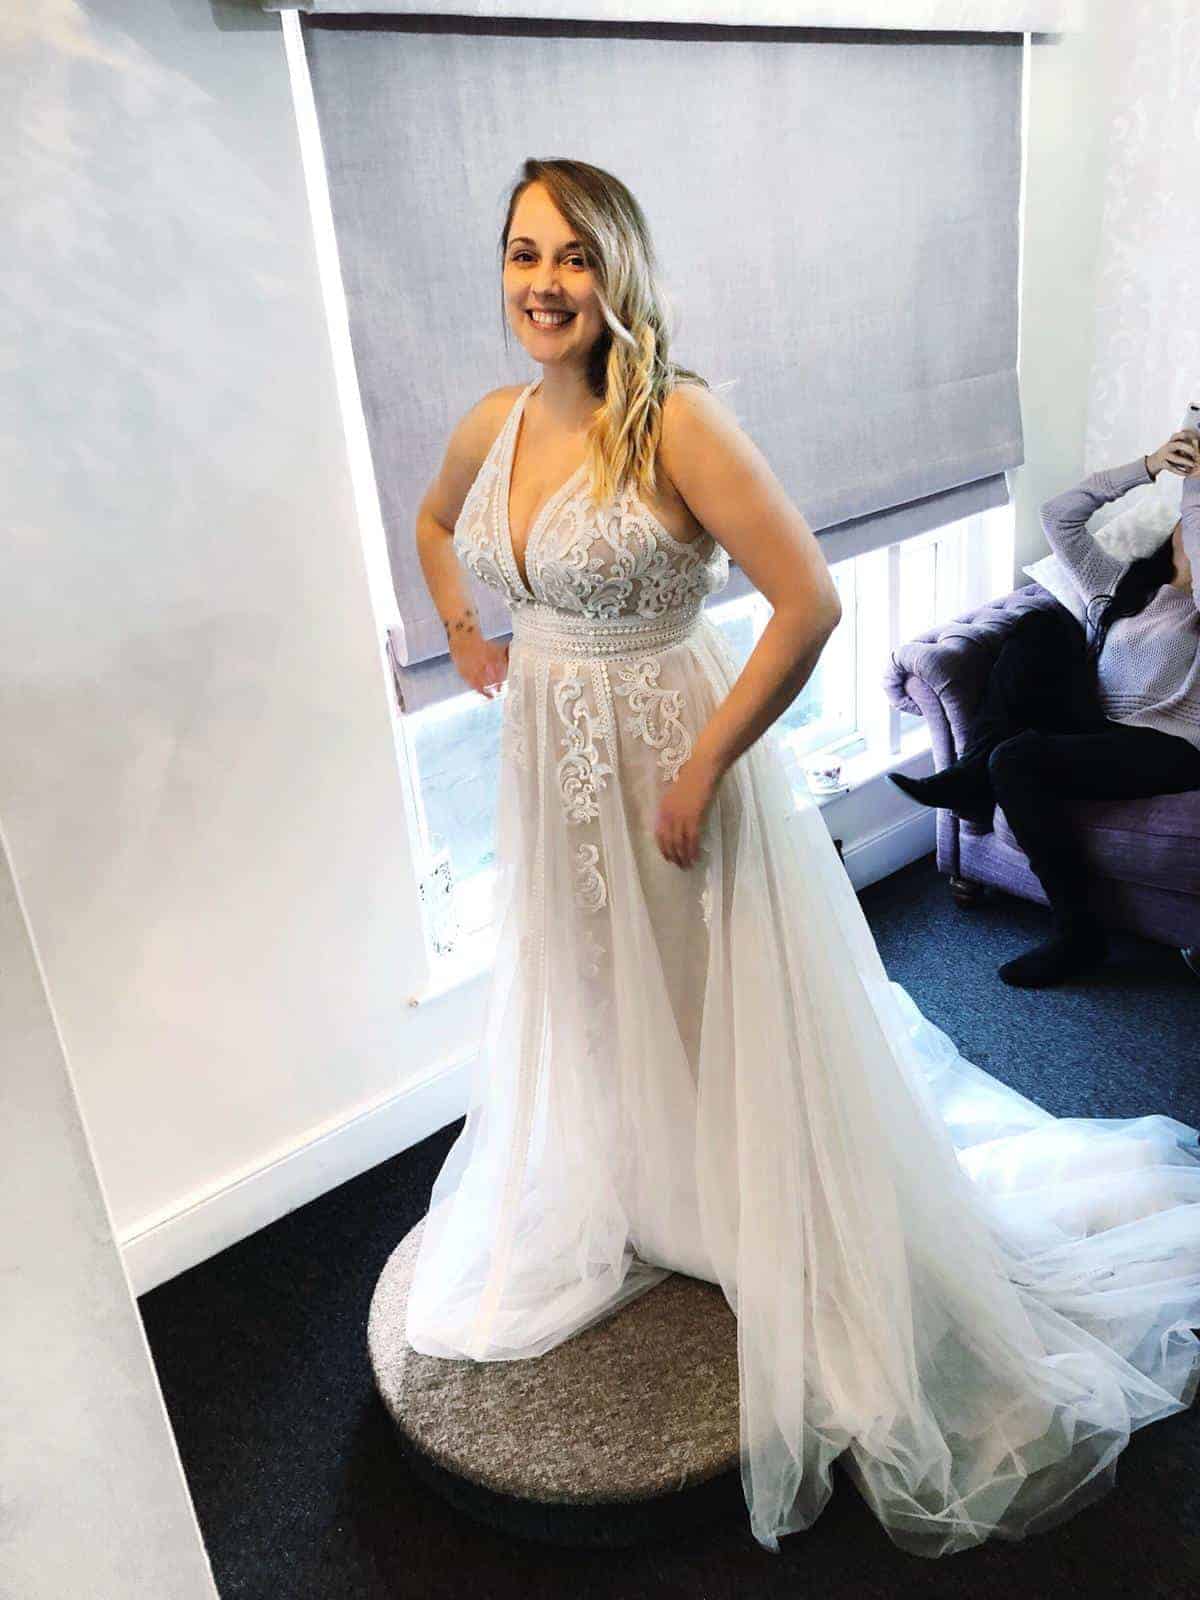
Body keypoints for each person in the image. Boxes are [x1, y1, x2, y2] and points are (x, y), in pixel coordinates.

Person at [405, 158, 1200, 1558]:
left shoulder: (677, 419)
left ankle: (746, 1197)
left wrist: (703, 766)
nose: (545, 282)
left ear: (619, 269)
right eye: (525, 253)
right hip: (548, 761)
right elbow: (434, 521)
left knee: (705, 988)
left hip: (671, 751)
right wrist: (467, 633)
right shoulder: (494, 421)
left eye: (575, 256)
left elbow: (809, 602)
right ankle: (643, 1177)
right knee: (593, 982)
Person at [889, 433, 1200, 987]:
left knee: (1017, 760)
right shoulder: (1122, 589)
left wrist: (1197, 481)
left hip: (1167, 746)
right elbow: (1058, 516)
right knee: (1038, 628)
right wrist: (1150, 466)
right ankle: (973, 775)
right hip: (1099, 727)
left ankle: (1080, 936)